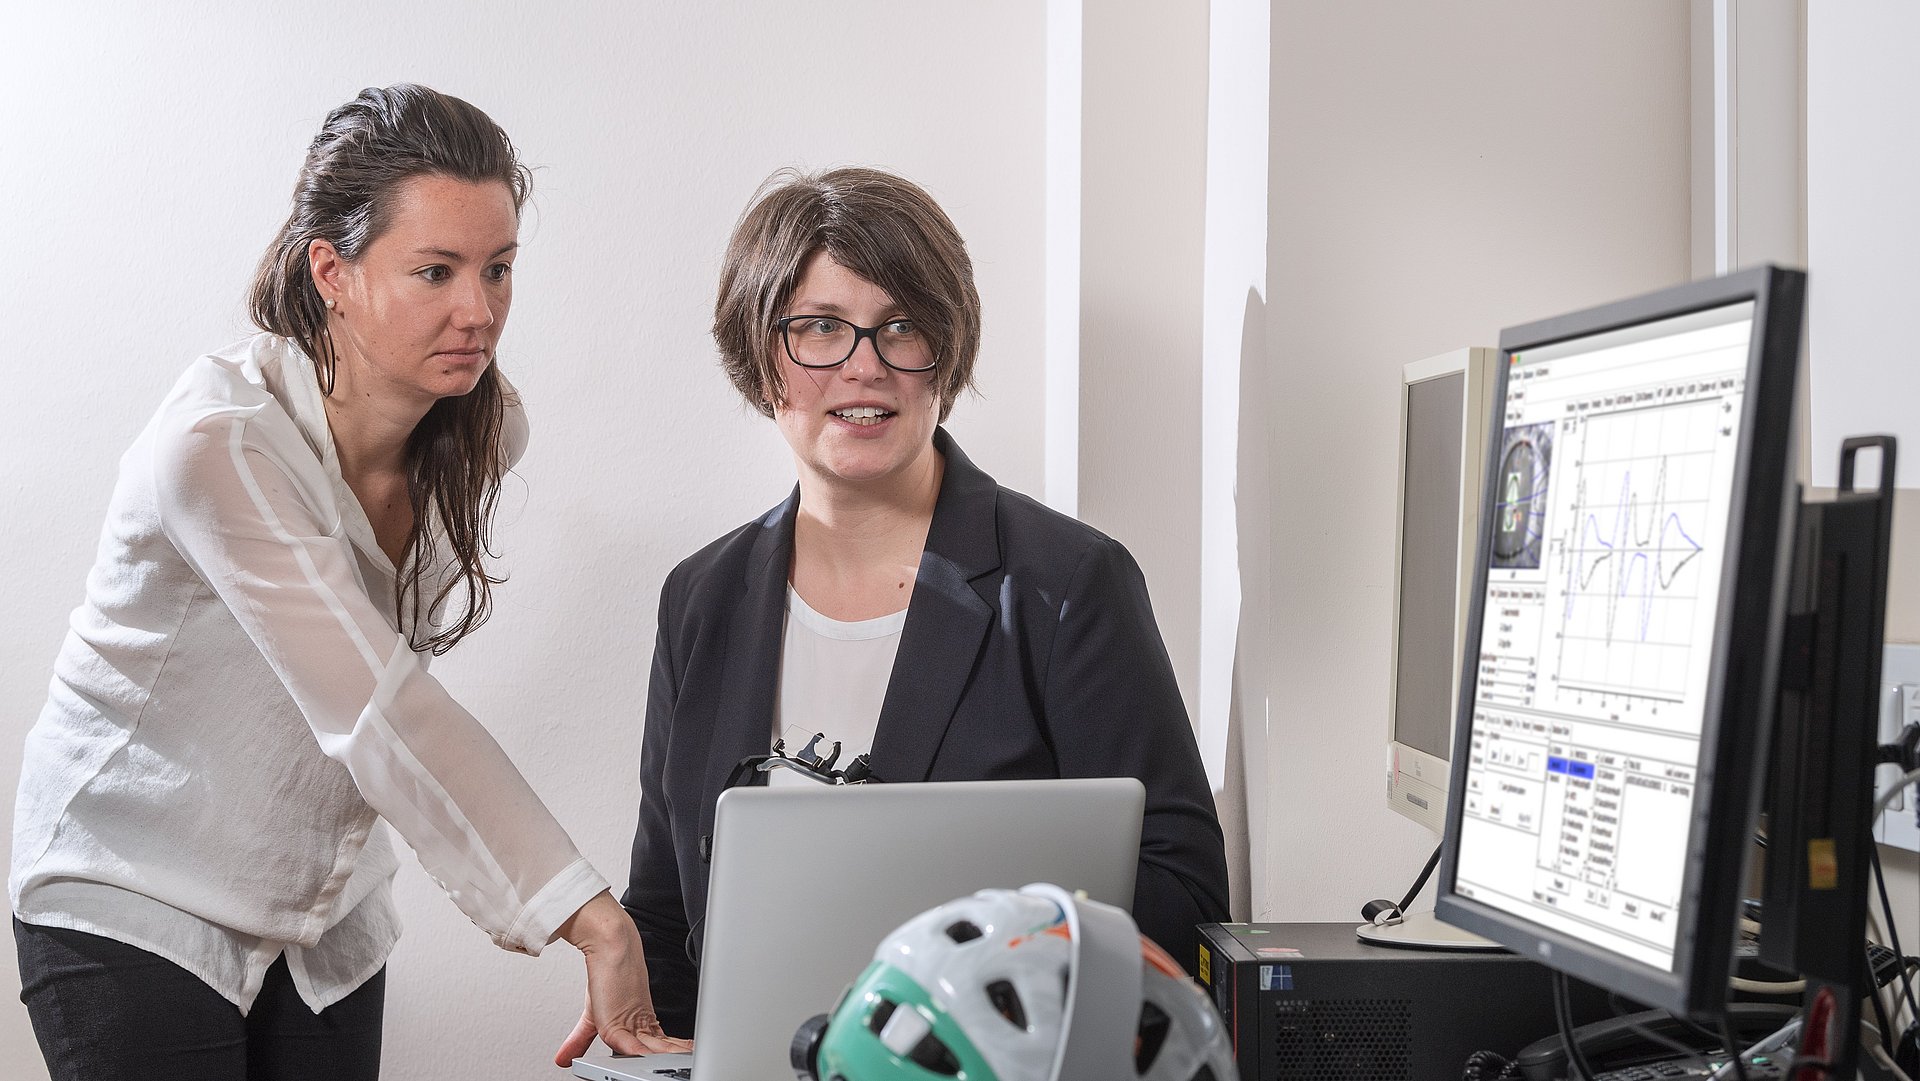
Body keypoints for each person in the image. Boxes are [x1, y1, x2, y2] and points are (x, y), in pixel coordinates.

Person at [8, 85, 687, 1080]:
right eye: (436, 271)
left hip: (322, 917)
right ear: (334, 270)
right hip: (136, 886)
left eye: (499, 269)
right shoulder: (220, 444)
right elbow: (378, 703)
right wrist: (593, 919)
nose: (479, 310)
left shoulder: (486, 433)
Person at [621, 167, 1231, 1038]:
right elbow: (661, 908)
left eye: (902, 327)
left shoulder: (1069, 584)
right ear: (762, 358)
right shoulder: (701, 598)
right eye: (821, 328)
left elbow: (1186, 894)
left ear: (948, 353)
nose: (865, 367)